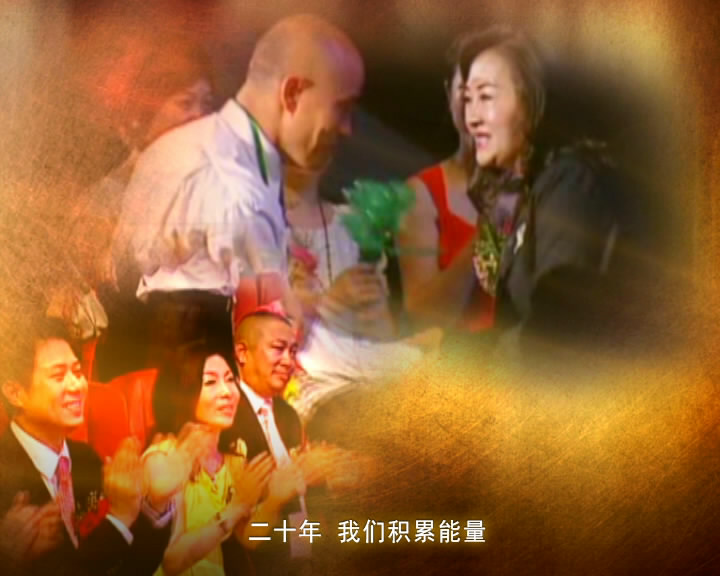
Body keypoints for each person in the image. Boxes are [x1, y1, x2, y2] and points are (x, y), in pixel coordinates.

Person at [114, 14, 365, 368]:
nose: (346, 129)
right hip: (189, 352)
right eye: (341, 108)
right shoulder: (228, 177)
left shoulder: (240, 158)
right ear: (292, 93)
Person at [458, 27, 625, 352]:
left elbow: (558, 332)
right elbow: (485, 313)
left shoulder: (571, 184)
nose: (472, 118)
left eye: (486, 96)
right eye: (467, 99)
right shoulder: (504, 203)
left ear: (532, 102)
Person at [69, 39, 216, 380]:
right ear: (148, 110)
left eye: (207, 104)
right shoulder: (108, 198)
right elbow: (100, 297)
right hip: (130, 373)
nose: (200, 116)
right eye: (185, 102)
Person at [0, 317, 178, 576]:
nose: (77, 385)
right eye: (59, 376)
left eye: (78, 371)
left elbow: (131, 567)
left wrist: (157, 503)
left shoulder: (86, 459)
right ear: (16, 393)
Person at [284, 163, 441, 421]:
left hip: (360, 363)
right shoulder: (261, 225)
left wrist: (374, 314)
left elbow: (382, 331)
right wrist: (328, 301)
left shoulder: (349, 225)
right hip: (314, 374)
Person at [144, 343, 301, 576]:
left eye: (230, 379)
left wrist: (274, 501)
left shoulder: (234, 457)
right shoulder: (163, 459)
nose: (227, 392)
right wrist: (234, 508)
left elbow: (248, 538)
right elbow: (171, 562)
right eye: (210, 382)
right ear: (183, 393)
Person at [397, 32, 496, 333]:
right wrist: (489, 229)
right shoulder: (420, 194)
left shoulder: (542, 187)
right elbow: (423, 317)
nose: (475, 112)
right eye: (465, 93)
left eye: (488, 95)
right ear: (448, 92)